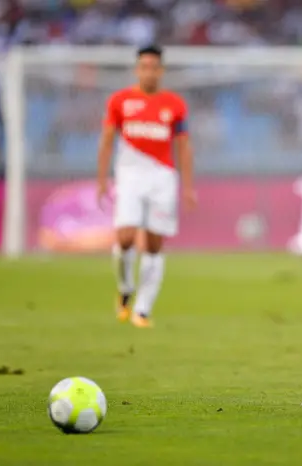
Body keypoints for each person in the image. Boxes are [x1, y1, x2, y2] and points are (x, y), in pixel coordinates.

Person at [96, 45, 197, 328]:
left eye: (154, 67)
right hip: (129, 175)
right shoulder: (120, 101)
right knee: (126, 236)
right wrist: (101, 179)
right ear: (136, 70)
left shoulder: (174, 105)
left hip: (162, 178)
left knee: (154, 244)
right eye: (144, 67)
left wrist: (188, 186)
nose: (149, 72)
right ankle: (125, 287)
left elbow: (184, 146)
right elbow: (106, 140)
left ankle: (142, 309)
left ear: (161, 71)